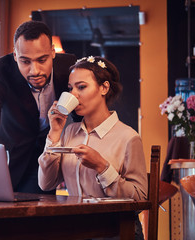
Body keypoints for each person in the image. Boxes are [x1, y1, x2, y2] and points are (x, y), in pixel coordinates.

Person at [38, 56, 147, 239]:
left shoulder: (129, 137)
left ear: (104, 88)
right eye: (70, 88)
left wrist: (102, 168)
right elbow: (45, 183)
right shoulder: (68, 132)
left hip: (117, 230)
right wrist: (55, 133)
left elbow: (141, 199)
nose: (73, 94)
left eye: (81, 87)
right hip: (77, 228)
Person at [0, 20, 78, 194]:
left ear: (53, 52)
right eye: (25, 61)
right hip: (11, 157)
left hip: (48, 158)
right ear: (15, 55)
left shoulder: (69, 67)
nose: (34, 71)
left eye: (42, 60)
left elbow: (84, 112)